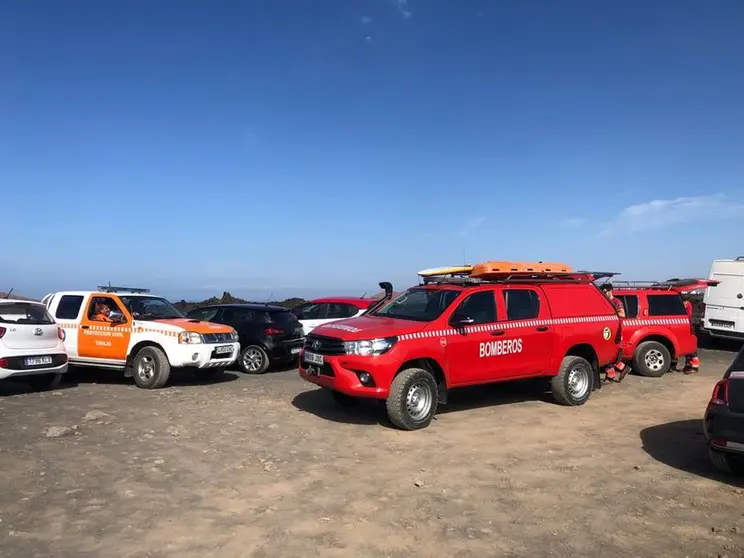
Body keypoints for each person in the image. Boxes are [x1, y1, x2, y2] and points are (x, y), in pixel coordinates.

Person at [599, 283, 630, 384]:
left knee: (610, 354)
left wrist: (612, 312)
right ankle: (623, 368)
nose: (604, 294)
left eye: (605, 292)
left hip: (616, 331)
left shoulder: (617, 302)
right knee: (607, 354)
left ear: (610, 291)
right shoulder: (603, 302)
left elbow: (622, 314)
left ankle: (610, 376)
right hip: (606, 331)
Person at [681, 299, 700, 374]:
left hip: (688, 326)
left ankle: (694, 367)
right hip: (686, 325)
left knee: (691, 347)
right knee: (687, 347)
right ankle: (688, 365)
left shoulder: (686, 303)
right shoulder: (686, 303)